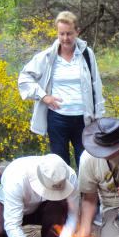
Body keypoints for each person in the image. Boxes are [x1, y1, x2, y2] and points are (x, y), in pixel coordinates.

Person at [18, 11, 104, 167]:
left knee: (86, 162)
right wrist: (44, 96)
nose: (65, 38)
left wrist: (98, 115)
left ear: (77, 32)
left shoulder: (86, 54)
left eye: (69, 33)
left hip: (83, 119)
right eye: (61, 34)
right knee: (59, 164)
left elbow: (96, 84)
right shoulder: (48, 56)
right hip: (58, 118)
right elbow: (24, 78)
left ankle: (84, 184)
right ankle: (64, 185)